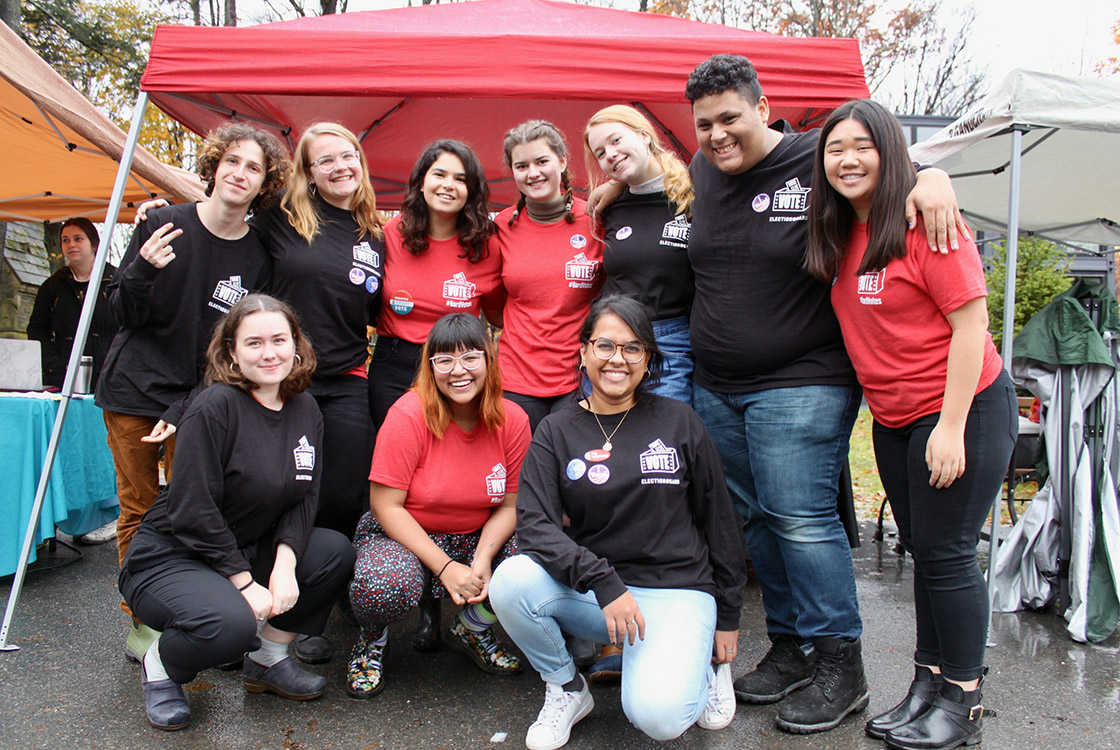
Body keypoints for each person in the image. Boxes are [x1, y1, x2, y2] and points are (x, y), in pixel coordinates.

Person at [682, 54, 967, 734]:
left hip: (803, 377)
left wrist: (932, 177)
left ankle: (843, 665)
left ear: (761, 106)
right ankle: (792, 647)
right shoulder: (700, 171)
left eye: (730, 119)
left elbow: (876, 161)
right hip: (717, 385)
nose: (718, 135)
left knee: (800, 519)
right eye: (703, 125)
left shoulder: (813, 158)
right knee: (755, 520)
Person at [803, 99, 1016, 750]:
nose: (847, 159)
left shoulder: (926, 220)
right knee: (926, 554)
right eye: (835, 148)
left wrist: (951, 426)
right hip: (893, 420)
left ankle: (966, 702)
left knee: (949, 556)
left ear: (890, 152)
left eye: (862, 145)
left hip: (962, 408)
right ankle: (927, 685)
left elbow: (970, 325)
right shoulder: (841, 230)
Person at [135, 122, 385, 666]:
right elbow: (225, 206)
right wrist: (163, 210)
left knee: (334, 500)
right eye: (325, 161)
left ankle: (303, 621)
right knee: (247, 486)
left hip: (342, 380)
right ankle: (227, 604)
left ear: (360, 162)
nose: (340, 167)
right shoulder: (280, 221)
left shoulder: (375, 234)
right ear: (309, 174)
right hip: (273, 375)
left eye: (348, 157)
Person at [489, 295, 747, 750]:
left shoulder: (679, 421)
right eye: (605, 345)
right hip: (605, 598)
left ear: (648, 360)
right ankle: (568, 688)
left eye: (632, 349)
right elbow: (535, 526)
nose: (617, 359)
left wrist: (727, 615)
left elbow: (719, 521)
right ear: (583, 351)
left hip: (678, 591)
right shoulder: (556, 429)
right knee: (512, 580)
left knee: (660, 719)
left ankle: (705, 665)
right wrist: (602, 581)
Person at [118, 294, 355, 731]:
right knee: (230, 628)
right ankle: (163, 665)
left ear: (296, 344)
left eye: (279, 340)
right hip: (173, 556)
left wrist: (284, 567)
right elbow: (192, 510)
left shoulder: (305, 409)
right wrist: (245, 583)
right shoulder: (214, 407)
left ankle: (266, 660)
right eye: (254, 343)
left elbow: (304, 498)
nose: (270, 353)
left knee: (333, 552)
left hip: (243, 547)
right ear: (231, 352)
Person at [97, 123, 286, 662]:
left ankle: (204, 612)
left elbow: (233, 346)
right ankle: (144, 622)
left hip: (201, 398)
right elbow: (119, 314)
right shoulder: (162, 222)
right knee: (136, 505)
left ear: (262, 184)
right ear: (213, 167)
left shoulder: (257, 256)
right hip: (133, 390)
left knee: (198, 508)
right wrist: (140, 270)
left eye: (253, 168)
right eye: (232, 162)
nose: (240, 174)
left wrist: (187, 407)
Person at [347, 313, 530, 697]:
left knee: (539, 556)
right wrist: (445, 567)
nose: (458, 371)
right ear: (430, 367)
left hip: (476, 537)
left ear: (489, 360)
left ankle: (472, 628)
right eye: (444, 360)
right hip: (405, 536)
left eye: (470, 358)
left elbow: (511, 503)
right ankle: (371, 639)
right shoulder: (407, 415)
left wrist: (481, 560)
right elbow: (385, 505)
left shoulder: (512, 420)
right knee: (384, 585)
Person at [368, 140, 502, 434]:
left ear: (472, 191)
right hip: (394, 364)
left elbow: (498, 316)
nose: (448, 185)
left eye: (460, 179)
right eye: (439, 174)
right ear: (422, 181)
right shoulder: (392, 232)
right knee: (395, 453)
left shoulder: (487, 245)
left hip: (457, 368)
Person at [495, 120, 604, 430]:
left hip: (581, 377)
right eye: (522, 165)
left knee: (575, 472)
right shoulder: (502, 227)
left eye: (542, 161)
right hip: (516, 378)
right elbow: (493, 304)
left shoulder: (596, 219)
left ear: (562, 161)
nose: (533, 173)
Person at [583, 105, 695, 405]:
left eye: (616, 140)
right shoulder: (611, 205)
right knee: (603, 441)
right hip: (610, 340)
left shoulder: (694, 194)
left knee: (663, 443)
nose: (610, 154)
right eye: (601, 153)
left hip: (671, 341)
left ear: (645, 136)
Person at [26, 218, 117, 391]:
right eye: (65, 240)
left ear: (94, 244)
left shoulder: (116, 281)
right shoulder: (52, 286)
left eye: (78, 238)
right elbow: (37, 329)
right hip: (63, 377)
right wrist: (55, 362)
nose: (71, 244)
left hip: (110, 378)